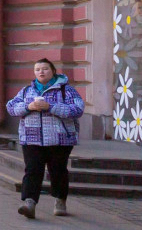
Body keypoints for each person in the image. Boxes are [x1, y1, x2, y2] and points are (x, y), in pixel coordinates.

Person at [7, 57, 84, 219]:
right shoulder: (27, 90)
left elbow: (78, 109)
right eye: (37, 69)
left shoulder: (66, 90)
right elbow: (11, 107)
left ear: (53, 71)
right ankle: (29, 203)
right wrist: (28, 106)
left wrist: (51, 107)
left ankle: (60, 200)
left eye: (45, 69)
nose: (41, 72)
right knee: (32, 170)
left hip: (60, 139)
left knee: (58, 171)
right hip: (31, 138)